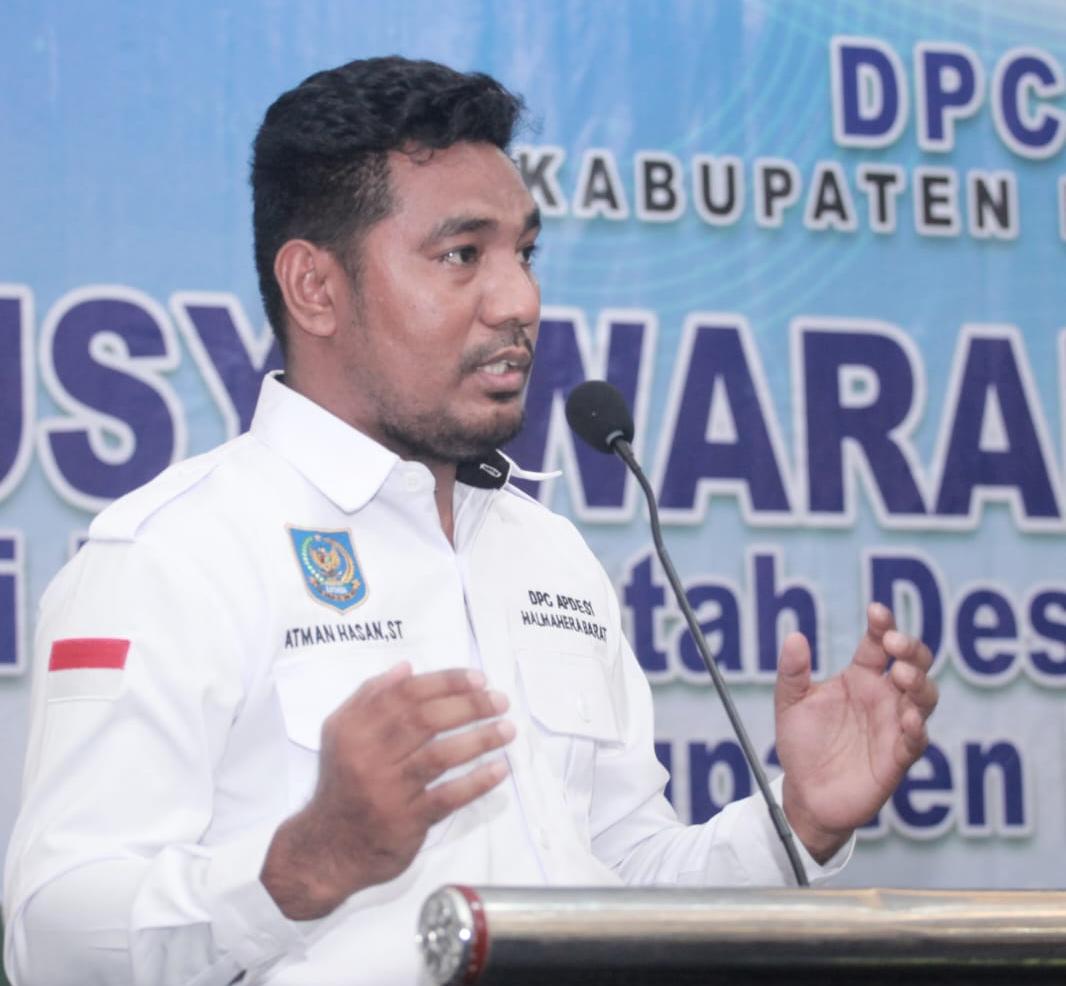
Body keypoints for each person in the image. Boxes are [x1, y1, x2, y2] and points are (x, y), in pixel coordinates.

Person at [3, 56, 938, 985]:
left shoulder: (548, 554)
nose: (520, 300)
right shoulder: (172, 555)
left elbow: (618, 886)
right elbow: (51, 940)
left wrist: (798, 822)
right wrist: (302, 864)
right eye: (462, 255)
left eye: (524, 253)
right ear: (315, 288)